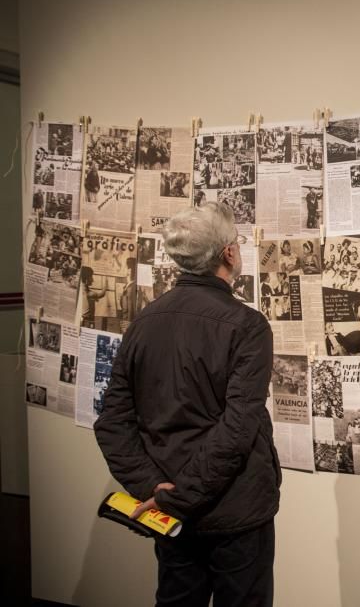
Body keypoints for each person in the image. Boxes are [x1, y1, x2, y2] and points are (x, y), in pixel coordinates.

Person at [94, 202, 279, 607]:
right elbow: (237, 430)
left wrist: (155, 490)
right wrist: (176, 496)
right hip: (234, 511)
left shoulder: (144, 321)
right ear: (228, 254)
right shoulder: (247, 326)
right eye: (237, 244)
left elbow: (111, 422)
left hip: (172, 509)